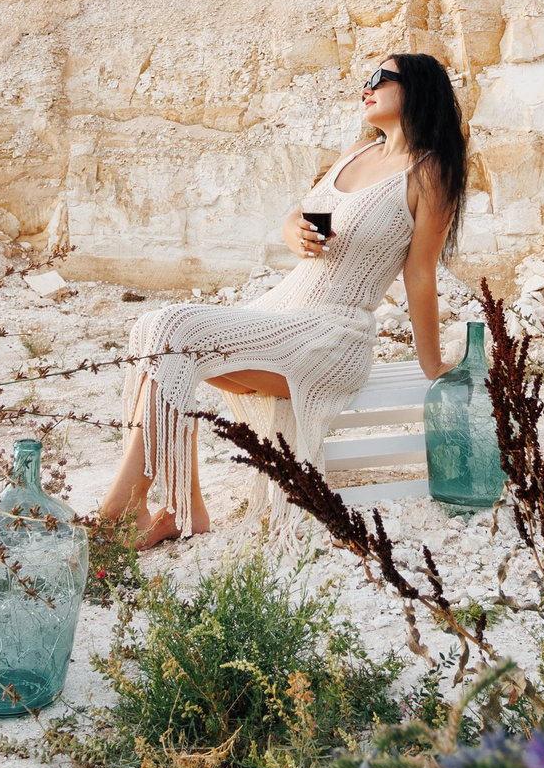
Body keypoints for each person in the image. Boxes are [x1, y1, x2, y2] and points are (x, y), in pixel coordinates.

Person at [95, 51, 466, 549]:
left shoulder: (429, 172)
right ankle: (183, 509)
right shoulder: (358, 152)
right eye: (364, 78)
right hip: (282, 310)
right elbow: (300, 216)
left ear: (417, 87)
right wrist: (294, 232)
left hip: (332, 334)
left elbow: (420, 273)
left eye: (380, 78)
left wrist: (432, 363)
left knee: (173, 332)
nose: (367, 86)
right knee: (154, 328)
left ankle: (118, 511)